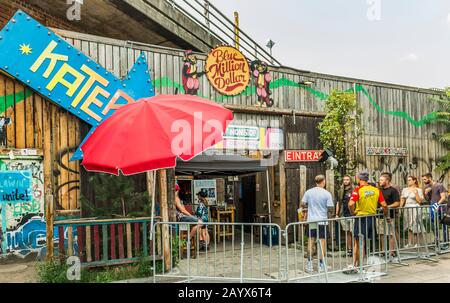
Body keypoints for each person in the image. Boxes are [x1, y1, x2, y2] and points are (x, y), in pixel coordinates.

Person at [345, 172, 389, 274]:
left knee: (358, 242)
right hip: (371, 218)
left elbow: (351, 203)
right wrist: (386, 215)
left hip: (361, 218)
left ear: (360, 179)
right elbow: (384, 205)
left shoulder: (358, 190)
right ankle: (358, 265)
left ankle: (359, 266)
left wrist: (353, 213)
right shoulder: (376, 190)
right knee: (363, 242)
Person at [301, 175, 335, 273]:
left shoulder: (309, 192)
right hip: (322, 221)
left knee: (310, 242)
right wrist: (327, 211)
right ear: (323, 181)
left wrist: (309, 208)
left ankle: (309, 264)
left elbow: (303, 204)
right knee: (322, 243)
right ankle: (321, 265)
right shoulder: (327, 193)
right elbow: (330, 209)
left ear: (316, 181)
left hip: (311, 220)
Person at [422, 173, 449, 250]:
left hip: (441, 207)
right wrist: (425, 193)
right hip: (432, 207)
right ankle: (437, 241)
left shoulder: (438, 185)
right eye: (423, 179)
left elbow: (443, 197)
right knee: (434, 224)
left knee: (444, 225)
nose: (424, 181)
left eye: (425, 179)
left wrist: (437, 205)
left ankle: (445, 242)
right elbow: (427, 199)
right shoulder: (427, 187)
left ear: (430, 178)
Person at [377, 173, 401, 259]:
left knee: (391, 234)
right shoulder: (378, 190)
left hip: (390, 215)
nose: (380, 181)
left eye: (381, 180)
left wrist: (387, 207)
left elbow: (397, 203)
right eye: (379, 180)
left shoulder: (393, 190)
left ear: (387, 181)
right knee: (381, 233)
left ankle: (391, 251)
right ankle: (383, 251)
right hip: (379, 216)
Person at [401, 176, 424, 248]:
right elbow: (402, 199)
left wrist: (416, 193)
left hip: (415, 207)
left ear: (414, 181)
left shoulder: (419, 190)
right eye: (408, 180)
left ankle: (418, 243)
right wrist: (400, 207)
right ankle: (410, 242)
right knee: (408, 224)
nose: (408, 181)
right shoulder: (404, 189)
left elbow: (420, 201)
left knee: (416, 224)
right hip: (407, 207)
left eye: (410, 180)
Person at [335, 175, 354, 257]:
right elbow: (338, 202)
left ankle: (355, 249)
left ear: (350, 180)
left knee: (353, 232)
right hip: (343, 214)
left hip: (353, 214)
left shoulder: (354, 189)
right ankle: (349, 249)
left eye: (347, 179)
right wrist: (337, 214)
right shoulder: (341, 190)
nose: (345, 181)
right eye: (344, 180)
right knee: (347, 233)